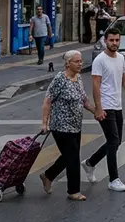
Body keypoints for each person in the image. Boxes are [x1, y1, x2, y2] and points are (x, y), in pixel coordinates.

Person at [83, 28, 125, 192]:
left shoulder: (120, 59)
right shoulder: (100, 60)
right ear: (105, 40)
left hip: (117, 106)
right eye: (112, 40)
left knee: (115, 142)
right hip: (106, 106)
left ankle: (90, 163)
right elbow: (95, 84)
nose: (115, 43)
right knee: (113, 141)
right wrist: (98, 108)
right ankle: (113, 179)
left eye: (117, 40)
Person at [40, 50, 98, 200]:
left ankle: (48, 175)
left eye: (81, 61)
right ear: (68, 63)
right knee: (72, 157)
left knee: (68, 156)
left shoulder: (78, 78)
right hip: (61, 126)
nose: (80, 64)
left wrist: (96, 112)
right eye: (77, 61)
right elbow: (47, 101)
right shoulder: (60, 79)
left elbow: (84, 100)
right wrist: (44, 123)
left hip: (75, 126)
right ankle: (73, 191)